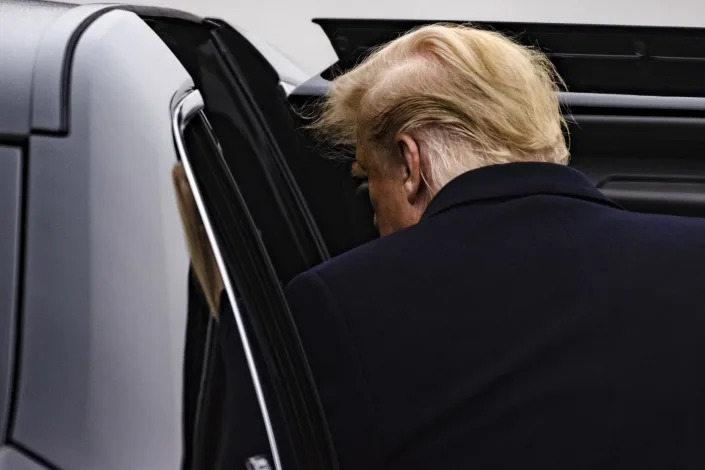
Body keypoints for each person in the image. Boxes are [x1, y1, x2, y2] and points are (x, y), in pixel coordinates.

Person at [176, 23, 705, 469]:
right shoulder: (692, 259)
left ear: (409, 165)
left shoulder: (336, 303)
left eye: (369, 178)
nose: (373, 212)